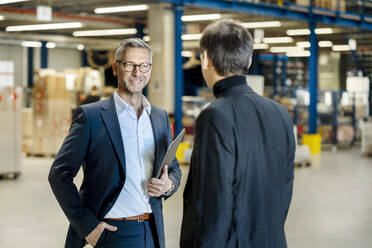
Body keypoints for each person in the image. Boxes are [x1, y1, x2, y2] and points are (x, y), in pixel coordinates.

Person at [49, 38, 181, 248]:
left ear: (150, 69)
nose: (137, 72)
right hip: (112, 233)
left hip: (152, 230)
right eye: (129, 65)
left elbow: (172, 168)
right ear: (115, 68)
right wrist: (87, 227)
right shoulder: (91, 117)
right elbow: (59, 174)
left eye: (144, 65)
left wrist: (168, 185)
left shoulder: (159, 117)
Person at [180, 19, 295, 248]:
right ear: (249, 60)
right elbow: (285, 188)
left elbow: (215, 202)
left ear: (205, 59)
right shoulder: (280, 113)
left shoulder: (215, 115)